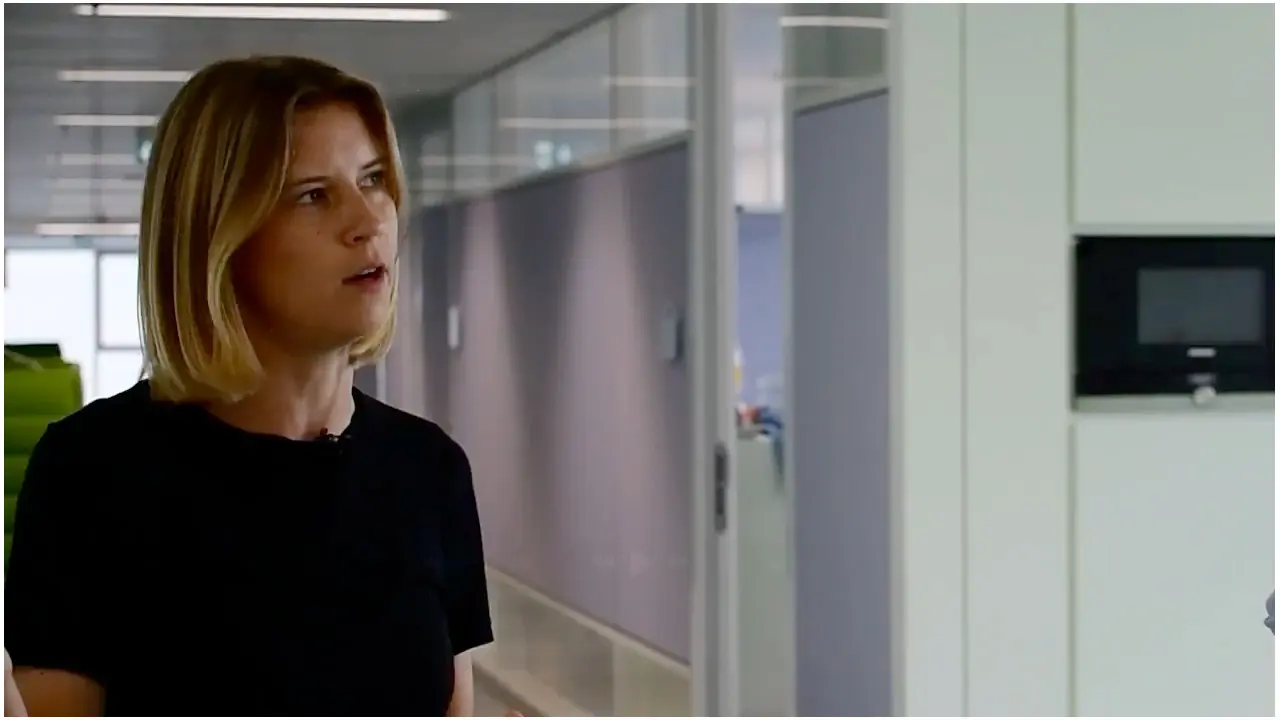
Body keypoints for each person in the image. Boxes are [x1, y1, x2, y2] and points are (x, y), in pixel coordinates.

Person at [4, 55, 494, 716]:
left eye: (373, 179)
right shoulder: (93, 471)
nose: (368, 220)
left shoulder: (429, 470)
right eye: (313, 194)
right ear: (220, 238)